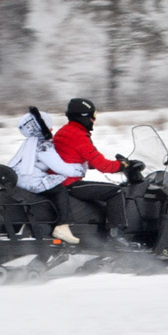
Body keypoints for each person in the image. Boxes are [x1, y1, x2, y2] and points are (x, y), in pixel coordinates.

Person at [52, 98, 133, 245]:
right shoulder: (79, 136)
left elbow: (71, 158)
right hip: (69, 183)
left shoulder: (64, 131)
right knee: (115, 192)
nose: (93, 120)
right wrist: (122, 166)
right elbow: (103, 165)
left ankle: (99, 232)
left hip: (57, 182)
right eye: (92, 116)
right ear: (83, 116)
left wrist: (93, 165)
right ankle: (116, 236)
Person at [7, 106, 85, 244]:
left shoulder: (29, 143)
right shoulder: (44, 145)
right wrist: (79, 169)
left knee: (53, 185)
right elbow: (60, 167)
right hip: (31, 181)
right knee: (60, 189)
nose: (52, 130)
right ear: (42, 129)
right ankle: (63, 225)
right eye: (49, 128)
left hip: (18, 181)